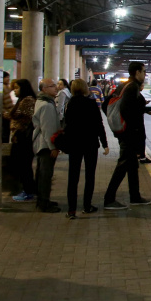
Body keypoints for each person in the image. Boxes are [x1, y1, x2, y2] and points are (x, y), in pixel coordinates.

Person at [103, 63, 151, 210]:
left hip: (125, 132)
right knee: (123, 165)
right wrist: (141, 111)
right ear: (137, 72)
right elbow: (127, 109)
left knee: (132, 165)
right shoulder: (132, 87)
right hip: (129, 133)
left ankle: (135, 197)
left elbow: (106, 104)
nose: (145, 74)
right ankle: (109, 199)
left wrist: (142, 109)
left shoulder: (125, 86)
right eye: (144, 71)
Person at [64, 79, 108, 219]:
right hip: (90, 144)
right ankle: (87, 206)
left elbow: (67, 126)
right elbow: (99, 124)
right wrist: (105, 143)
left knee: (73, 177)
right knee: (90, 175)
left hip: (75, 144)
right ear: (85, 89)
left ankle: (71, 210)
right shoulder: (91, 104)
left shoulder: (69, 105)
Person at [32, 78, 61, 213]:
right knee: (45, 174)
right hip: (45, 145)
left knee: (41, 173)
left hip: (41, 143)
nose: (56, 88)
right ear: (44, 89)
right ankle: (44, 202)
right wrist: (53, 147)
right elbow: (48, 129)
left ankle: (42, 200)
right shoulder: (47, 106)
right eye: (52, 86)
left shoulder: (42, 102)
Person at [9, 79, 37, 202]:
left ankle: (28, 191)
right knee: (22, 165)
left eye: (16, 88)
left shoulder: (28, 100)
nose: (14, 90)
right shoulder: (23, 100)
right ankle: (27, 189)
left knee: (24, 165)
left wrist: (5, 114)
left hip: (24, 138)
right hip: (20, 137)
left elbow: (17, 114)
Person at [1, 71, 13, 144]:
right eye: (6, 77)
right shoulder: (4, 88)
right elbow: (7, 102)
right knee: (5, 132)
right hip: (5, 113)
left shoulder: (6, 87)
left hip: (4, 112)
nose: (8, 79)